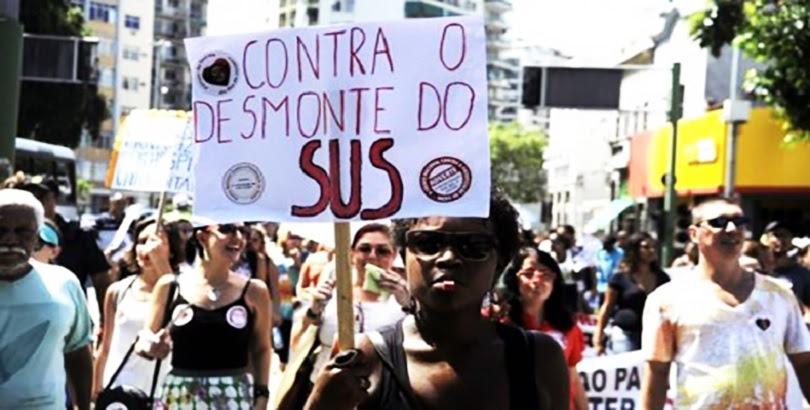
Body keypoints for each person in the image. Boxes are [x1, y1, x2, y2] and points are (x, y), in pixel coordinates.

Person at [304, 191, 569, 410]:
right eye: (428, 243)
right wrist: (320, 405)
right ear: (404, 255)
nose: (448, 258)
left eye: (474, 246)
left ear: (500, 261)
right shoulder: (367, 358)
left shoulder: (539, 358)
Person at [640, 198, 810, 409]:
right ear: (694, 234)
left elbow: (804, 361)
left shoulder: (779, 295)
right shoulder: (666, 300)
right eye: (719, 222)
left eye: (739, 222)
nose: (732, 229)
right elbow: (657, 373)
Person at [138, 222, 273, 409]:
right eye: (226, 229)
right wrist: (152, 346)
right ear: (202, 237)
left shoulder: (255, 291)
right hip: (179, 397)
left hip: (233, 396)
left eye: (242, 231)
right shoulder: (170, 285)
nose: (237, 237)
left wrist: (262, 395)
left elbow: (262, 349)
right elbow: (144, 341)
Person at [0, 189, 94, 409]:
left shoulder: (64, 283)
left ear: (37, 237)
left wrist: (83, 406)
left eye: (23, 232)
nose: (10, 239)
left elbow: (77, 353)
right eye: (0, 230)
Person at [292, 223, 409, 383]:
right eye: (365, 249)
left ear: (393, 256)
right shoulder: (332, 291)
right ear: (352, 253)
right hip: (327, 387)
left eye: (382, 251)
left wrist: (408, 306)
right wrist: (314, 310)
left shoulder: (402, 298)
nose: (372, 256)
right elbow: (298, 339)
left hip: (384, 388)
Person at [92, 218, 185, 401]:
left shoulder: (186, 289)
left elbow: (176, 302)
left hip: (163, 393)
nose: (148, 248)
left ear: (172, 250)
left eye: (157, 241)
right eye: (142, 241)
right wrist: (96, 390)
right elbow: (106, 347)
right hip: (122, 391)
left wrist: (163, 267)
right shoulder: (118, 291)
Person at [500, 247, 588, 410]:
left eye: (545, 275)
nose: (537, 280)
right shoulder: (498, 322)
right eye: (528, 274)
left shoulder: (567, 326)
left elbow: (572, 377)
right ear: (514, 279)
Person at [18, 179, 112, 323]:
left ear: (55, 200)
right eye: (31, 198)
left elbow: (100, 279)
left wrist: (105, 322)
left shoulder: (79, 235)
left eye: (41, 198)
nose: (36, 203)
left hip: (70, 321)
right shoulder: (13, 235)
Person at [594, 232, 670, 354]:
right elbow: (607, 307)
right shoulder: (620, 277)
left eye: (653, 247)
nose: (651, 251)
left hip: (653, 333)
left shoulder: (662, 278)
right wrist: (598, 337)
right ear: (634, 250)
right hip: (625, 333)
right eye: (646, 247)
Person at [766, 221, 810, 312]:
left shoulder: (803, 274)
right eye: (776, 235)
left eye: (785, 236)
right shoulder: (755, 268)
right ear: (766, 239)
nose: (781, 240)